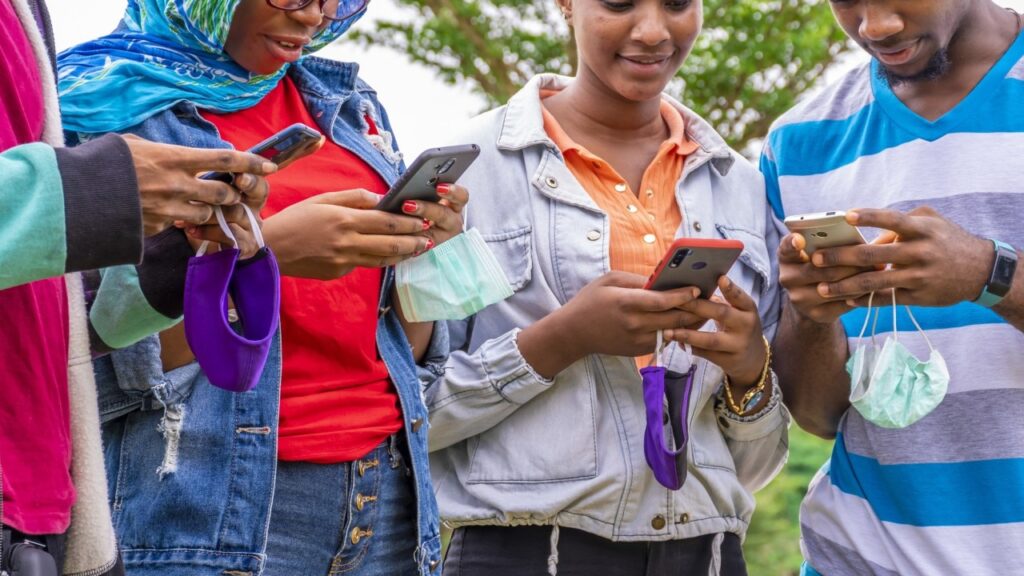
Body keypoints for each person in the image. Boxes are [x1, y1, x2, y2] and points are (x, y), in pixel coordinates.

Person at [55, 0, 468, 574]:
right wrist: (266, 256)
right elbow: (75, 361)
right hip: (207, 508)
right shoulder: (85, 108)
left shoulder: (347, 103)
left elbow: (403, 344)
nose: (315, 18)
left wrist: (418, 244)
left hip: (391, 497)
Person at [425, 0, 789, 574]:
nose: (652, 31)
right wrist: (562, 340)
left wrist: (750, 371)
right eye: (619, 3)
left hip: (711, 552)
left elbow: (755, 467)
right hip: (526, 551)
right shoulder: (467, 174)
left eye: (676, 4)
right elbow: (414, 416)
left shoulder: (741, 186)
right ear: (565, 5)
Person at [1, 0, 275, 574]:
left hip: (44, 499)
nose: (316, 14)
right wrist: (99, 189)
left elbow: (33, 303)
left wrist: (171, 263)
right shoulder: (96, 90)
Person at [762, 1, 1024, 574]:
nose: (874, 26)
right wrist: (813, 316)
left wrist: (988, 274)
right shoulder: (799, 143)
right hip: (860, 559)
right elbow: (818, 416)